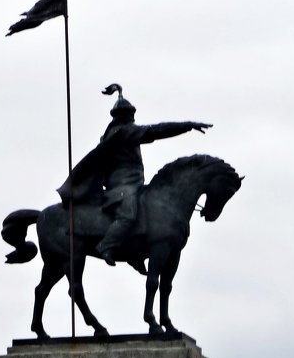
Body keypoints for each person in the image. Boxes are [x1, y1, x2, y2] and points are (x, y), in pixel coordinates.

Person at [62, 84, 212, 265]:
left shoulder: (115, 133)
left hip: (134, 184)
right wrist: (186, 126)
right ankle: (107, 245)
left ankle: (135, 253)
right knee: (129, 215)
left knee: (149, 208)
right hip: (122, 186)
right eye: (131, 115)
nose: (133, 118)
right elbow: (155, 131)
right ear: (126, 116)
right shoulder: (124, 131)